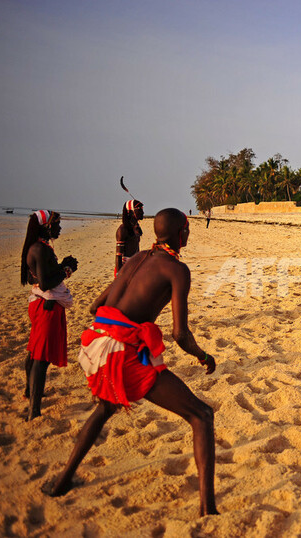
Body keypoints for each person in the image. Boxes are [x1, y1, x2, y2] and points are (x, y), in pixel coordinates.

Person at [45, 209, 219, 516]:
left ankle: (62, 481)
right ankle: (208, 511)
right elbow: (180, 334)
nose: (189, 235)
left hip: (97, 346)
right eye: (188, 230)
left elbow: (95, 305)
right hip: (122, 355)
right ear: (181, 234)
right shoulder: (177, 270)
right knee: (202, 416)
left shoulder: (137, 259)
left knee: (103, 409)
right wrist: (203, 355)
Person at [21, 210, 78, 421]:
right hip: (46, 306)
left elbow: (33, 278)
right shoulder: (40, 249)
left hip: (42, 304)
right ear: (47, 226)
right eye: (57, 224)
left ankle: (30, 392)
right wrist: (67, 270)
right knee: (41, 358)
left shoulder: (38, 247)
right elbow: (45, 283)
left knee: (35, 351)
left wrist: (62, 266)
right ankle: (34, 411)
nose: (60, 228)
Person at [115, 199, 144, 276]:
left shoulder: (136, 228)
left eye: (142, 209)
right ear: (131, 212)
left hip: (136, 266)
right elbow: (118, 255)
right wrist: (119, 275)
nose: (143, 212)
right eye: (139, 209)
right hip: (126, 268)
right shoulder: (123, 230)